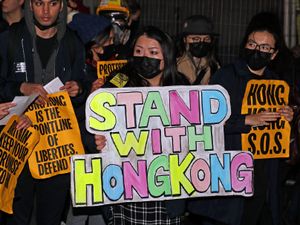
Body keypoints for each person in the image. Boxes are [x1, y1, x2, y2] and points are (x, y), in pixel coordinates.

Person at [189, 14, 293, 225]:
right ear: (245, 44)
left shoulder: (276, 83)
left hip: (264, 174)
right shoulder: (225, 77)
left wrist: (287, 116)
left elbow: (279, 129)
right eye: (252, 43)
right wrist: (246, 120)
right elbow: (207, 123)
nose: (257, 50)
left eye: (265, 47)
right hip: (231, 172)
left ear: (273, 55)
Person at [0, 0, 87, 225]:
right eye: (39, 3)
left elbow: (83, 83)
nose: (46, 11)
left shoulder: (73, 42)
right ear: (30, 4)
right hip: (18, 139)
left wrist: (79, 88)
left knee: (51, 216)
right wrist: (21, 87)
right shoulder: (8, 38)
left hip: (55, 142)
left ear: (62, 6)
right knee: (15, 216)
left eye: (53, 3)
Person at [94, 25, 189, 225]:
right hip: (126, 184)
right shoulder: (121, 79)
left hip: (167, 186)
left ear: (167, 56)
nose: (144, 57)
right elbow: (95, 116)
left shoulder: (182, 86)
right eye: (138, 51)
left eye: (153, 52)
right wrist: (98, 138)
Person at [176, 15, 220, 85]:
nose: (201, 43)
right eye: (196, 39)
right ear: (184, 39)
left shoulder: (213, 66)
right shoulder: (174, 65)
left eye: (206, 39)